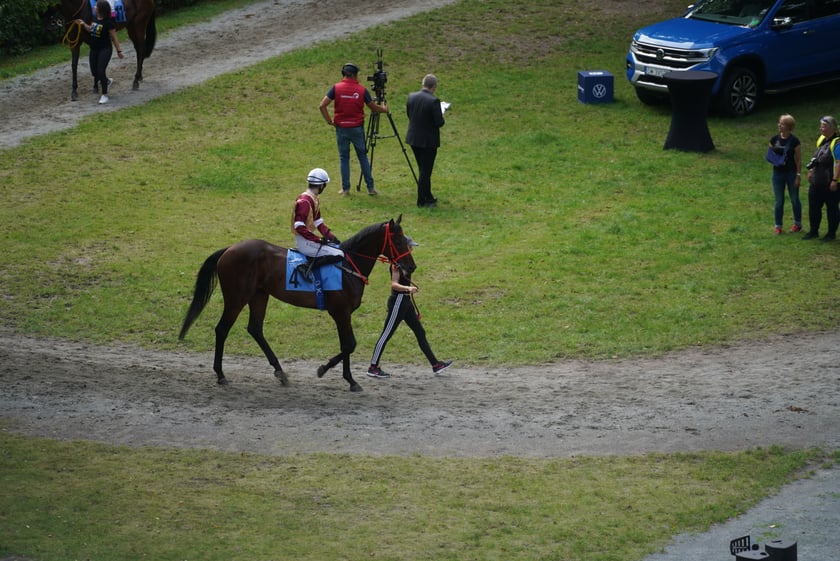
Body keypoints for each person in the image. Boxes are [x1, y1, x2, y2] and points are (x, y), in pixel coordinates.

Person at [367, 236, 452, 379]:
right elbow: (394, 284)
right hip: (398, 302)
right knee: (386, 334)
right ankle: (373, 367)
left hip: (406, 303)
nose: (412, 249)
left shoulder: (405, 262)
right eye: (410, 246)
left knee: (420, 332)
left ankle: (435, 365)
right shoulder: (396, 265)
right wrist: (408, 288)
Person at [319, 63, 388, 196]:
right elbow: (373, 108)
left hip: (341, 128)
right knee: (363, 157)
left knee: (344, 158)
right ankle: (371, 188)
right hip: (357, 128)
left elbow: (322, 105)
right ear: (355, 74)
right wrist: (384, 109)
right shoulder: (361, 90)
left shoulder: (336, 88)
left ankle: (345, 189)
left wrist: (330, 121)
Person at [406, 74, 445, 208]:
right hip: (428, 141)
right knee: (425, 171)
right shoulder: (433, 101)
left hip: (413, 138)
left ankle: (427, 195)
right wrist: (441, 112)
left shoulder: (411, 97)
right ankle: (422, 200)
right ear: (433, 87)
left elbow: (409, 115)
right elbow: (439, 122)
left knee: (423, 169)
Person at [291, 168, 343, 266]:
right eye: (324, 185)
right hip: (305, 243)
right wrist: (318, 239)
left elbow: (318, 222)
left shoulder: (314, 198)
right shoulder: (305, 201)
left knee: (336, 247)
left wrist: (331, 237)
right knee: (338, 254)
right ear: (321, 185)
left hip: (309, 240)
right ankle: (306, 268)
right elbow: (299, 226)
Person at [76, 0, 124, 105]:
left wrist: (119, 51)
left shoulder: (108, 23)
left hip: (105, 49)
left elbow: (114, 38)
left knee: (101, 71)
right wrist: (83, 24)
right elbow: (91, 29)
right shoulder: (94, 19)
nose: (94, 7)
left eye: (96, 6)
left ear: (101, 9)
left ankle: (105, 95)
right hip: (94, 49)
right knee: (94, 72)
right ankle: (107, 81)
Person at [803, 116, 840, 242]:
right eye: (821, 126)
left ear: (831, 128)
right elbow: (816, 157)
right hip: (817, 181)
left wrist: (835, 180)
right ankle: (814, 231)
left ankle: (831, 233)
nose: (821, 128)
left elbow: (839, 163)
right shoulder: (822, 140)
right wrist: (811, 171)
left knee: (832, 209)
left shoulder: (837, 143)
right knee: (814, 207)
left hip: (829, 183)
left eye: (823, 126)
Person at [768, 114, 802, 235]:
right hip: (777, 174)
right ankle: (778, 226)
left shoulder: (794, 141)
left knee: (794, 199)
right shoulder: (774, 139)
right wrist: (775, 160)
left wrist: (798, 175)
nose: (779, 125)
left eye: (782, 124)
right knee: (779, 201)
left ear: (788, 127)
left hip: (791, 173)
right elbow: (769, 154)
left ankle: (797, 223)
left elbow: (798, 159)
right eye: (779, 123)